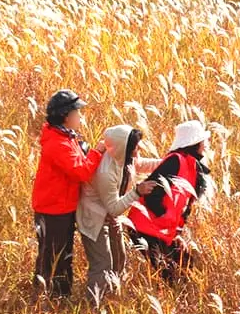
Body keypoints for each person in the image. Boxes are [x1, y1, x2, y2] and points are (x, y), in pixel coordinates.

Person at [32, 89, 105, 298]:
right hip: (53, 210)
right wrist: (97, 152)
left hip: (61, 206)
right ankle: (51, 298)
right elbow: (80, 171)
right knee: (54, 257)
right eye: (77, 112)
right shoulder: (58, 143)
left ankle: (55, 296)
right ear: (66, 115)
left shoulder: (64, 136)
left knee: (59, 254)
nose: (80, 117)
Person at [76, 125, 160, 302]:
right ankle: (93, 306)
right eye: (136, 145)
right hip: (95, 218)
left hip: (109, 215)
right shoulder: (106, 172)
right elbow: (114, 207)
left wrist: (169, 161)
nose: (139, 148)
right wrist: (137, 191)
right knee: (102, 263)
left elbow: (142, 164)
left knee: (119, 258)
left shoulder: (123, 159)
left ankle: (111, 297)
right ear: (125, 147)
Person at [126, 120, 212, 282]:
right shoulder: (176, 160)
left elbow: (185, 207)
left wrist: (176, 233)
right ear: (195, 143)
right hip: (143, 228)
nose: (206, 144)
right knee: (171, 276)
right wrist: (164, 217)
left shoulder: (193, 167)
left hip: (163, 231)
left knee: (187, 268)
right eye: (203, 140)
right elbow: (152, 193)